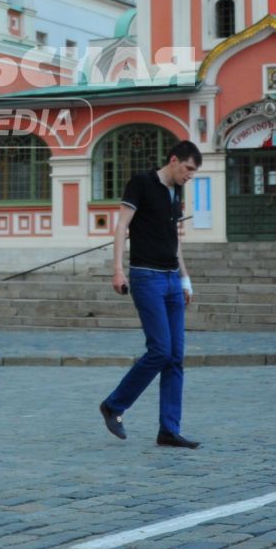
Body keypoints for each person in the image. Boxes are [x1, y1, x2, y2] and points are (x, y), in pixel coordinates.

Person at [99, 141, 202, 447]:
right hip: (146, 277)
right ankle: (114, 405)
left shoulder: (176, 193)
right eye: (188, 169)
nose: (190, 176)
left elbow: (174, 239)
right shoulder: (141, 183)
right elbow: (121, 227)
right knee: (160, 350)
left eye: (194, 171)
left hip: (171, 280)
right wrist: (117, 269)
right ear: (174, 160)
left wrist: (185, 279)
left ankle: (168, 429)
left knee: (175, 358)